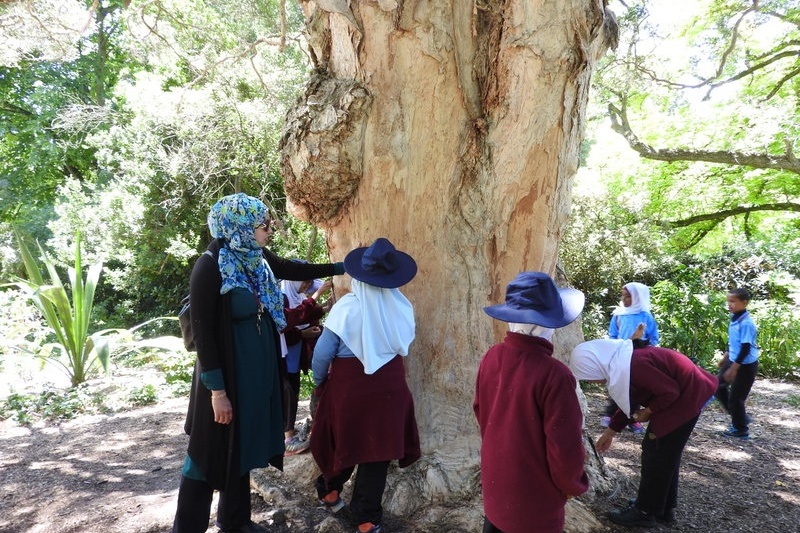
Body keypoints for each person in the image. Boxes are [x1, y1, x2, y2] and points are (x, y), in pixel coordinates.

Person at [172, 193, 345, 533]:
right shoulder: (210, 265)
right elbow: (205, 335)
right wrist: (217, 391)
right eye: (262, 225)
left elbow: (292, 268)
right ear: (239, 226)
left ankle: (234, 521)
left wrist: (342, 267)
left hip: (254, 375)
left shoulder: (255, 256)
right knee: (206, 452)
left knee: (243, 444)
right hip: (225, 377)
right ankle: (187, 527)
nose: (268, 231)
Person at [310, 238, 421, 533]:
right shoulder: (402, 307)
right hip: (390, 390)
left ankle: (329, 490)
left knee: (346, 444)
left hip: (350, 390)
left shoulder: (347, 307)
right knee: (377, 454)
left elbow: (323, 353)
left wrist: (319, 383)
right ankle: (367, 520)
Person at [474, 271, 589, 533]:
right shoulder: (555, 375)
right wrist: (572, 485)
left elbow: (482, 413)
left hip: (497, 478)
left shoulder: (492, 356)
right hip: (535, 495)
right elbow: (564, 446)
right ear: (546, 323)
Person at [570, 338, 717, 528]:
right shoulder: (622, 362)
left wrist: (648, 411)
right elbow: (631, 400)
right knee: (666, 455)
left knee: (656, 453)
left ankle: (645, 512)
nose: (592, 381)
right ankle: (662, 508)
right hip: (688, 394)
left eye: (588, 375)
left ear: (595, 364)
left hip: (687, 397)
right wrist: (611, 431)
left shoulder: (635, 365)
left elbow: (669, 392)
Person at [280, 273, 332, 455]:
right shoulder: (282, 297)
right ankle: (287, 440)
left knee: (292, 390)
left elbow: (304, 315)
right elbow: (288, 322)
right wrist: (317, 295)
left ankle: (288, 434)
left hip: (294, 354)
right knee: (286, 392)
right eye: (305, 282)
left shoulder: (296, 297)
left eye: (309, 283)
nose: (306, 286)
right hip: (282, 355)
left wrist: (324, 308)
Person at [602, 282, 660, 434]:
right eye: (623, 295)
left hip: (640, 356)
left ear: (638, 297)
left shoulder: (646, 316)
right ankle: (611, 414)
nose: (624, 299)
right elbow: (613, 334)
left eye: (628, 296)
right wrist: (614, 348)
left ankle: (632, 418)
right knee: (619, 384)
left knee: (636, 387)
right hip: (621, 354)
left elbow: (654, 338)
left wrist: (647, 351)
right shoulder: (618, 315)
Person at [715, 287, 759, 439]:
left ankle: (741, 429)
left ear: (744, 302)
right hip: (734, 359)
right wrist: (726, 357)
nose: (729, 304)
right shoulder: (735, 318)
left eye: (733, 301)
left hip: (745, 365)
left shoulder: (746, 323)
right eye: (728, 301)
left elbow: (746, 348)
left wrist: (733, 369)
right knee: (717, 386)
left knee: (736, 398)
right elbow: (735, 342)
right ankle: (740, 417)